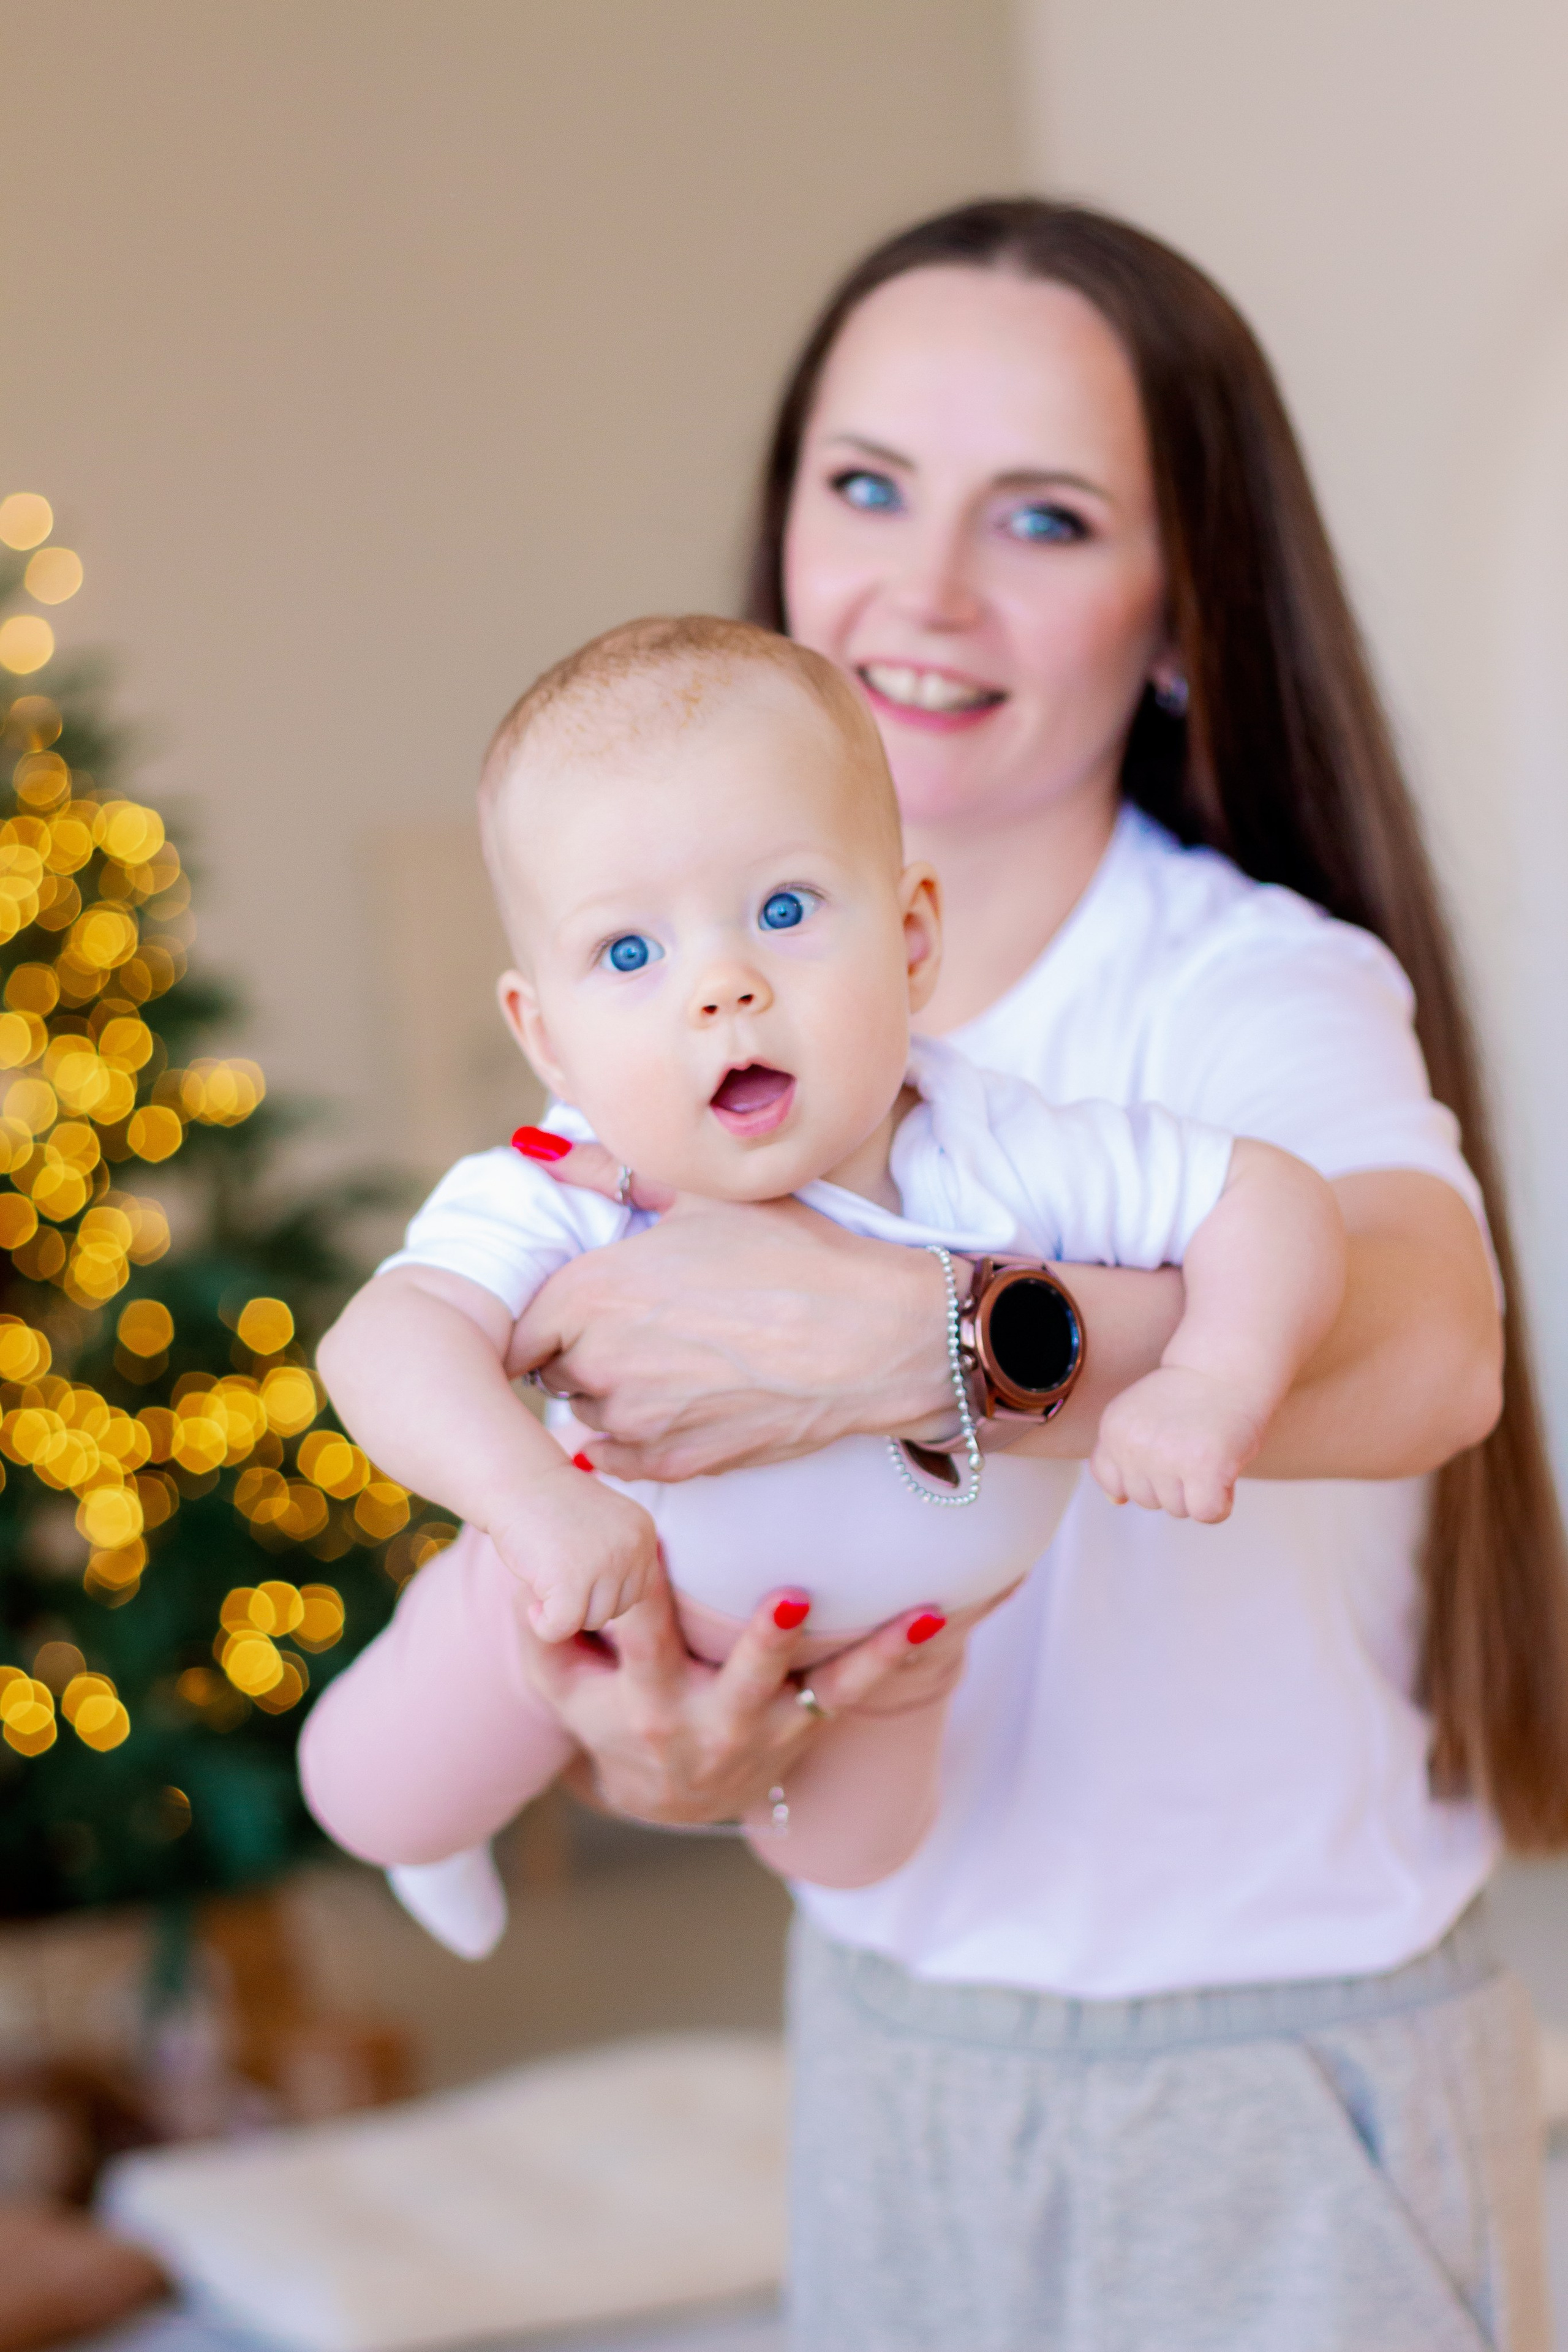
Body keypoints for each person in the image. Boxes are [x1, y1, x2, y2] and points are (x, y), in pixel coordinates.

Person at [356, 200, 1568, 2346]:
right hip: (900, 2023)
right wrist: (671, 1747)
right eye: (868, 485)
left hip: (1266, 2068)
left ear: (1181, 607)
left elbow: (1431, 1346)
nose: (924, 585)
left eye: (1044, 514)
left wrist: (925, 1347)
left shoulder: (1240, 990)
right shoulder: (652, 1065)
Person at [303, 611, 1342, 1898]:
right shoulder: (564, 1185)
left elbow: (1268, 1198)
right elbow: (384, 1342)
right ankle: (455, 1818)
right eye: (629, 952)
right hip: (592, 1595)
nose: (721, 986)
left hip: (891, 1651)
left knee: (852, 1863)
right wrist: (532, 1506)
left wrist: (1212, 1381)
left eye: (783, 908)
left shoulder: (1000, 1144)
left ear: (909, 938)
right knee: (367, 1799)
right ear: (547, 1036)